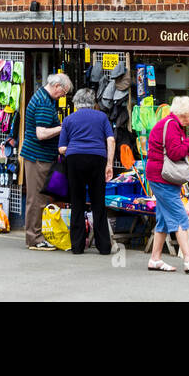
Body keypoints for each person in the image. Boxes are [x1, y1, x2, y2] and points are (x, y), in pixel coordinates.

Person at [145, 95, 189, 273]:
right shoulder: (172, 126)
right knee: (180, 217)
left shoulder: (171, 124)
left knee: (163, 220)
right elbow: (175, 153)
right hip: (162, 177)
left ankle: (155, 259)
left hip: (159, 176)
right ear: (185, 113)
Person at [58, 88, 116, 255]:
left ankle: (77, 246)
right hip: (97, 159)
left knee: (77, 202)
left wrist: (75, 148)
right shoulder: (102, 117)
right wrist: (109, 164)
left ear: (76, 103)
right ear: (93, 103)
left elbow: (62, 148)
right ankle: (104, 247)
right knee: (98, 202)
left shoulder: (68, 119)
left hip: (75, 160)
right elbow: (111, 140)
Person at [21, 72, 72, 250]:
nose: (63, 96)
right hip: (37, 157)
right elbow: (41, 133)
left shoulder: (44, 98)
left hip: (39, 156)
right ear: (57, 86)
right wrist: (62, 127)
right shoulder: (44, 102)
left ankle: (36, 236)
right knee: (37, 199)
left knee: (39, 198)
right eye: (64, 92)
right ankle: (35, 239)